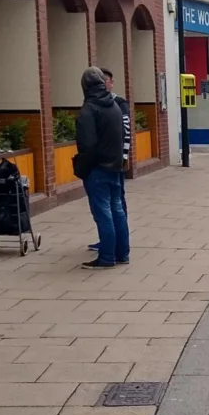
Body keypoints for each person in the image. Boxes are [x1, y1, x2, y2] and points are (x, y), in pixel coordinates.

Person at [74, 66, 130, 269]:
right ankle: (122, 253)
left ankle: (106, 257)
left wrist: (82, 168)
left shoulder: (89, 109)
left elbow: (87, 145)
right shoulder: (114, 106)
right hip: (115, 167)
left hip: (97, 168)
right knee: (117, 210)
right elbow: (121, 136)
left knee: (103, 213)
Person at [89, 69, 131, 253]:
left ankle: (117, 244)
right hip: (108, 160)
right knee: (110, 205)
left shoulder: (119, 104)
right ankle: (108, 241)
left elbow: (125, 133)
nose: (103, 84)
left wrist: (124, 157)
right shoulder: (97, 104)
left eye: (105, 81)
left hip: (115, 162)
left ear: (111, 83)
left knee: (116, 203)